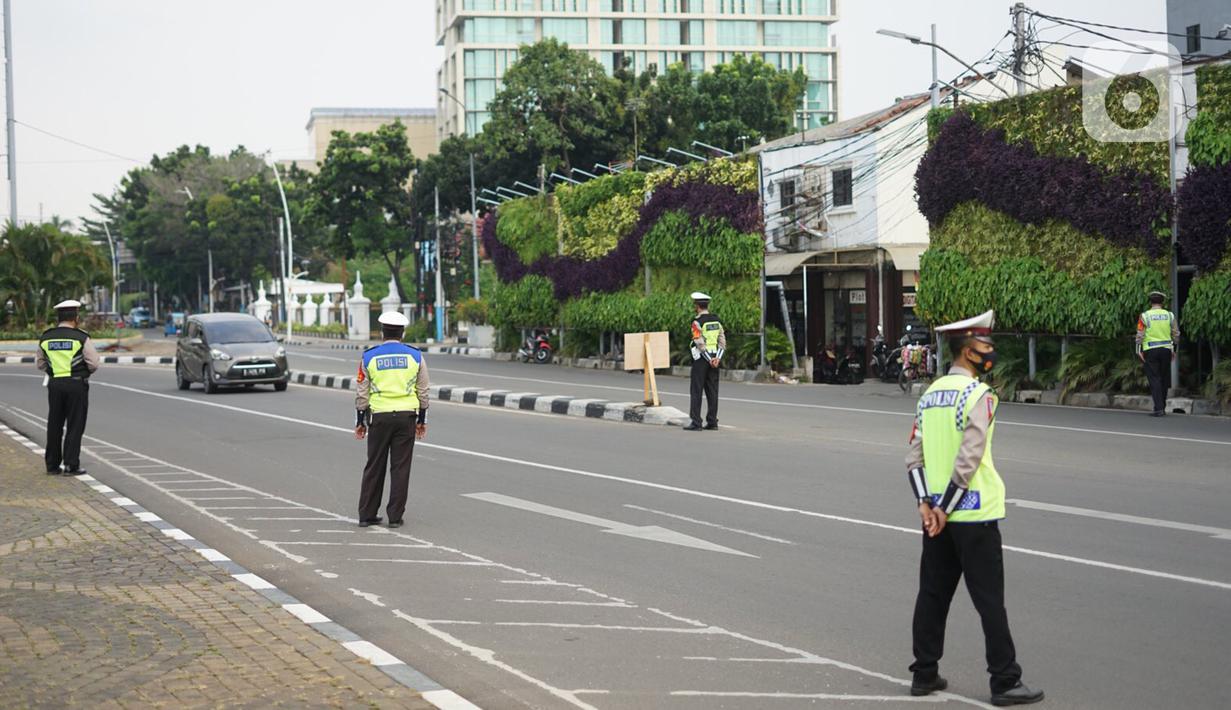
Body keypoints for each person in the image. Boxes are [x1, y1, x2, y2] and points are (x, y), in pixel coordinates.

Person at [904, 310, 1044, 707]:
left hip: (937, 517)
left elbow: (914, 457)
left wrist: (926, 506)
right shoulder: (978, 395)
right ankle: (1005, 681)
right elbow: (969, 457)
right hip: (975, 514)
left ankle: (924, 673)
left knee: (932, 594)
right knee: (989, 601)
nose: (991, 352)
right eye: (985, 346)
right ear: (967, 351)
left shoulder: (929, 395)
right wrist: (945, 507)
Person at [354, 312, 430, 528]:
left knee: (374, 465)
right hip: (406, 416)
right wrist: (422, 419)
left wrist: (360, 421)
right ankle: (395, 517)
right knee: (400, 467)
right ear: (402, 333)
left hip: (379, 417)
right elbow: (423, 390)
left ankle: (367, 514)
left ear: (381, 333)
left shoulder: (369, 357)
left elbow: (362, 392)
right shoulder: (415, 356)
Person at [35, 300, 100, 476]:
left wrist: (53, 370)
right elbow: (93, 363)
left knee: (54, 424)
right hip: (76, 385)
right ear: (76, 318)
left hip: (55, 385)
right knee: (74, 425)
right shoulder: (81, 337)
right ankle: (71, 465)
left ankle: (52, 466)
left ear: (59, 317)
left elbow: (40, 363)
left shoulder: (46, 337)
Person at [684, 291, 725, 432]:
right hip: (715, 359)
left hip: (702, 360)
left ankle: (696, 422)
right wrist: (716, 358)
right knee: (713, 391)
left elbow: (699, 343)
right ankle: (712, 422)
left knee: (696, 390)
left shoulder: (696, 323)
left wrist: (708, 359)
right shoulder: (716, 320)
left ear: (697, 306)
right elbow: (722, 341)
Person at [1136, 291, 1179, 417]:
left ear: (1151, 302)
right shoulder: (1169, 315)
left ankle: (1158, 408)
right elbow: (1176, 334)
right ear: (1162, 302)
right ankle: (1162, 407)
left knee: (1154, 378)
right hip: (1166, 349)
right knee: (1164, 378)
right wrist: (1174, 349)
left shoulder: (1144, 316)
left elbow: (1140, 334)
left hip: (1150, 350)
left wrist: (1138, 350)